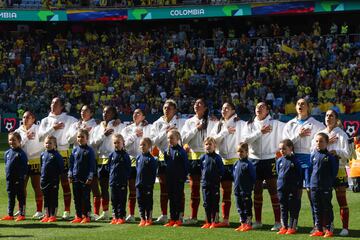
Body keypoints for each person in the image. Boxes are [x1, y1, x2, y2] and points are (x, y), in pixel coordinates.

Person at [283, 98, 325, 231]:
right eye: (298, 104)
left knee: (311, 193)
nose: (300, 106)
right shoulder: (289, 124)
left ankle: (317, 225)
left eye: (303, 104)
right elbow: (284, 144)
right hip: (294, 161)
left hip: (309, 161)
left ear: (308, 107)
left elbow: (324, 138)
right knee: (295, 194)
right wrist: (298, 135)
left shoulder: (316, 124)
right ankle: (293, 225)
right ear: (295, 107)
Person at [242, 102, 284, 231]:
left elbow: (288, 130)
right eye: (257, 107)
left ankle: (278, 222)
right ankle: (258, 221)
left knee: (273, 191)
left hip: (270, 159)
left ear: (267, 110)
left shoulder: (275, 123)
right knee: (257, 191)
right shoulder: (249, 124)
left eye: (262, 107)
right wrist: (259, 132)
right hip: (254, 160)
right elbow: (244, 141)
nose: (259, 109)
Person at [311, 110, 351, 236]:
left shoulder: (342, 134)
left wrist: (336, 152)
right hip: (323, 171)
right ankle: (326, 226)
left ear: (336, 118)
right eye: (326, 115)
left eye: (331, 116)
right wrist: (326, 143)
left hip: (338, 168)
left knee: (341, 199)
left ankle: (345, 228)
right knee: (324, 201)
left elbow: (348, 154)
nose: (328, 118)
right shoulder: (319, 134)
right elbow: (312, 150)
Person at [39, 97, 77, 219]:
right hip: (48, 154)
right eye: (52, 103)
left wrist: (99, 122)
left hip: (63, 152)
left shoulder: (69, 119)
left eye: (56, 103)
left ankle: (66, 211)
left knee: (65, 182)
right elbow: (40, 138)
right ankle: (48, 212)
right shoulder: (45, 120)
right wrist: (52, 129)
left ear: (61, 106)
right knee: (49, 184)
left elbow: (82, 124)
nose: (53, 105)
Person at [181, 98, 217, 225]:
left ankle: (212, 217)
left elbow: (215, 138)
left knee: (210, 189)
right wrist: (196, 128)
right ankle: (194, 217)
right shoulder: (189, 122)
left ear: (206, 107)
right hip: (194, 158)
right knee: (194, 189)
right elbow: (183, 139)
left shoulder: (212, 121)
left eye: (200, 103)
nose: (196, 105)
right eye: (195, 103)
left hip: (209, 158)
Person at [150, 99, 185, 224]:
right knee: (164, 188)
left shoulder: (181, 122)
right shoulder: (157, 124)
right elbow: (153, 142)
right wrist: (164, 132)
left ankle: (179, 215)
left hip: (176, 159)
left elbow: (183, 140)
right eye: (165, 107)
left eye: (169, 108)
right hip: (162, 159)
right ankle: (165, 214)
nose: (166, 109)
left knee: (178, 189)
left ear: (174, 110)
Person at [210, 102, 244, 227]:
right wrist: (224, 132)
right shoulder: (218, 125)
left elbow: (244, 140)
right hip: (223, 162)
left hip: (236, 162)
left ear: (233, 110)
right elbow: (212, 142)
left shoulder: (241, 123)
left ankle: (244, 220)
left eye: (227, 108)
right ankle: (225, 220)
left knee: (240, 192)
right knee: (225, 192)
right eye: (222, 108)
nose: (224, 110)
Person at [91, 106, 125, 221]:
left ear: (114, 113)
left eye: (108, 112)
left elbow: (123, 140)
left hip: (114, 159)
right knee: (103, 187)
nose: (105, 113)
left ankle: (119, 213)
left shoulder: (118, 125)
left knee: (116, 188)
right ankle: (105, 212)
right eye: (104, 111)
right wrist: (103, 135)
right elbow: (93, 143)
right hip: (101, 160)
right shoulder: (98, 127)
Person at [66, 105, 100, 220]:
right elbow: (69, 139)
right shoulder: (75, 124)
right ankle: (78, 215)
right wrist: (78, 130)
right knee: (77, 195)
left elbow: (96, 142)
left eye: (86, 111)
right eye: (81, 110)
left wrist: (90, 132)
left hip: (89, 157)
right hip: (77, 159)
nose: (83, 112)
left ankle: (91, 213)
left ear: (91, 113)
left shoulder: (96, 124)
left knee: (91, 190)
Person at [121, 109, 152, 222]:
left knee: (145, 189)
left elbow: (151, 143)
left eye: (138, 113)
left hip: (145, 161)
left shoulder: (149, 127)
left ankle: (146, 215)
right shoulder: (127, 129)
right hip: (130, 161)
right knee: (132, 188)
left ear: (143, 116)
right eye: (134, 113)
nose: (135, 114)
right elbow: (123, 145)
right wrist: (134, 135)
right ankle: (132, 214)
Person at [15, 111, 44, 219]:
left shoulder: (38, 129)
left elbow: (45, 141)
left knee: (36, 186)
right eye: (24, 117)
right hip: (22, 162)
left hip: (35, 160)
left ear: (33, 119)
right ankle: (21, 209)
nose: (25, 119)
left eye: (28, 117)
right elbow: (16, 146)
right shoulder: (18, 131)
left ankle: (39, 210)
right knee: (21, 187)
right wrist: (26, 137)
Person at [309, 133, 338, 237]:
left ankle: (329, 229)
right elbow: (311, 169)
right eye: (317, 141)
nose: (318, 143)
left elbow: (334, 172)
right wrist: (311, 184)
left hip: (325, 186)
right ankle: (319, 229)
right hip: (314, 186)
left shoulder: (330, 157)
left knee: (327, 207)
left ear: (327, 143)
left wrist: (328, 183)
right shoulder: (313, 155)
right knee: (316, 208)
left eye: (321, 141)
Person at [68, 129, 96, 224]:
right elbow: (71, 164)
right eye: (78, 137)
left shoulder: (90, 150)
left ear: (87, 138)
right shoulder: (74, 150)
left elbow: (92, 165)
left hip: (85, 179)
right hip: (75, 178)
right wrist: (70, 175)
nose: (80, 139)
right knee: (76, 198)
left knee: (85, 198)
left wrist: (90, 177)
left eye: (82, 137)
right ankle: (78, 216)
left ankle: (87, 216)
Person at [276, 139, 302, 235]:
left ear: (290, 148)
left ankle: (292, 227)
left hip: (292, 189)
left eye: (284, 148)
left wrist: (298, 187)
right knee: (283, 208)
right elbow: (279, 173)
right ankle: (284, 227)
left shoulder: (295, 161)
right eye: (280, 149)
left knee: (293, 208)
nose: (281, 151)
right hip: (281, 189)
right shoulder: (279, 161)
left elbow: (299, 175)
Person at [163, 130, 189, 227]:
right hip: (170, 179)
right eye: (168, 138)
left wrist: (183, 177)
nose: (170, 140)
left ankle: (178, 219)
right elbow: (166, 164)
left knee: (178, 199)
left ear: (177, 139)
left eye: (172, 138)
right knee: (171, 199)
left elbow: (186, 165)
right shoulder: (167, 151)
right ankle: (172, 219)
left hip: (179, 180)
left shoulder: (181, 151)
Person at [2, 132, 28, 221]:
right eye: (10, 140)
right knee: (11, 197)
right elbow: (6, 164)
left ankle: (22, 214)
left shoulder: (21, 154)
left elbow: (25, 168)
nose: (11, 142)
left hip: (18, 180)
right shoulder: (7, 153)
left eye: (14, 140)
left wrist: (21, 177)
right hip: (10, 180)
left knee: (21, 197)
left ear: (19, 141)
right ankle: (10, 215)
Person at [200, 137, 224, 229]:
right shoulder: (202, 158)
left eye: (210, 144)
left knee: (214, 202)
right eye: (206, 144)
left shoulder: (217, 158)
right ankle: (208, 221)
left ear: (215, 146)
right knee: (206, 202)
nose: (208, 146)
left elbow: (221, 171)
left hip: (214, 185)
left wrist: (217, 179)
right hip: (205, 184)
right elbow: (202, 169)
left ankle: (214, 221)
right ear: (204, 146)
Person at [108, 134, 131, 225]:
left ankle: (121, 217)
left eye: (118, 142)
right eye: (115, 143)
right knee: (114, 200)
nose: (116, 144)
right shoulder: (111, 154)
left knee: (121, 200)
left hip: (122, 182)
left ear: (123, 143)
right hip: (113, 181)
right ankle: (115, 217)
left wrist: (124, 178)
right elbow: (109, 167)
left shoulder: (125, 155)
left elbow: (128, 168)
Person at [40, 135, 64, 223]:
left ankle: (53, 215)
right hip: (44, 180)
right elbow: (42, 166)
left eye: (50, 143)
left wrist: (55, 177)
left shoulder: (57, 155)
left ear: (55, 145)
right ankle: (47, 215)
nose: (48, 145)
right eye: (46, 143)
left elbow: (61, 168)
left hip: (53, 181)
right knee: (46, 198)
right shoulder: (43, 154)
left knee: (53, 198)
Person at [233, 142, 256, 232]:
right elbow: (234, 176)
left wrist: (249, 187)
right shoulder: (236, 164)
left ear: (247, 152)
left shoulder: (248, 164)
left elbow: (253, 177)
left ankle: (248, 223)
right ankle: (242, 223)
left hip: (245, 190)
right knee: (239, 207)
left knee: (247, 207)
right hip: (237, 190)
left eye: (242, 151)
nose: (240, 153)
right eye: (238, 151)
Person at [136, 137, 157, 227]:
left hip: (147, 185)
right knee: (140, 201)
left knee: (148, 202)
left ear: (149, 146)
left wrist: (150, 183)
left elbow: (153, 173)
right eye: (140, 145)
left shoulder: (151, 159)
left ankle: (149, 219)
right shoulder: (138, 157)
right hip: (139, 185)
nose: (142, 146)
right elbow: (138, 170)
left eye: (144, 145)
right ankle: (142, 219)